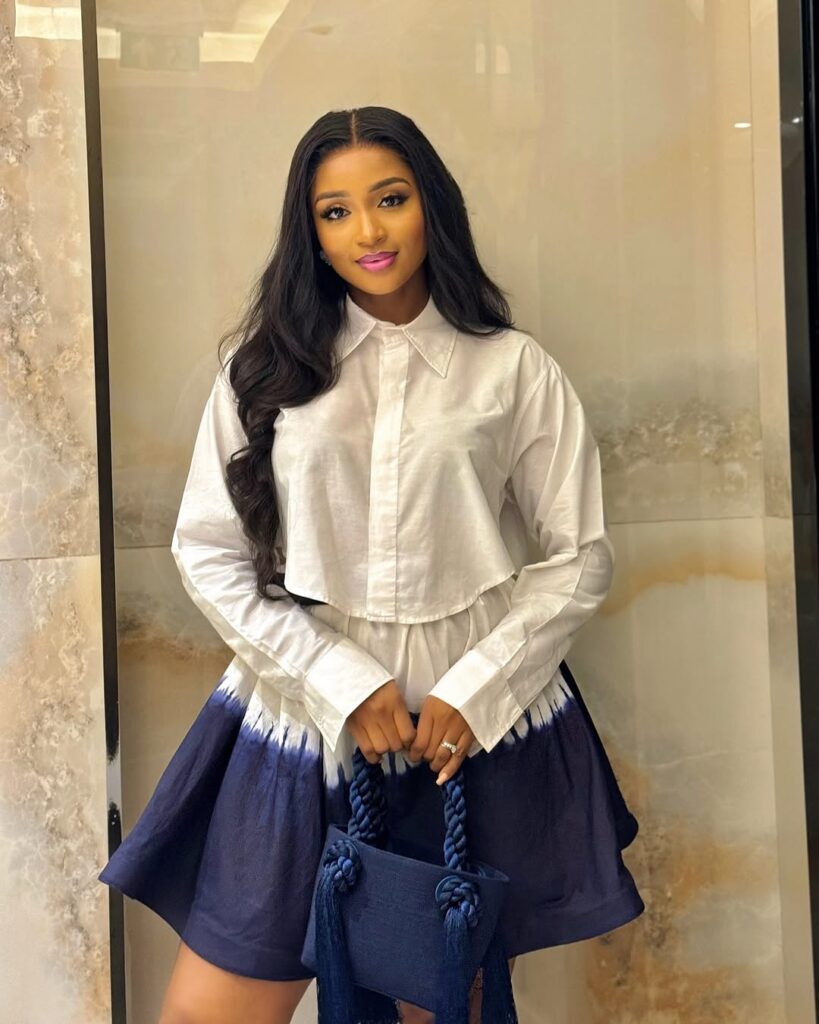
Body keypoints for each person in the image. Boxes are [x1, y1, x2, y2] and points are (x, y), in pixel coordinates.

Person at [98, 105, 645, 1024]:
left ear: (430, 205)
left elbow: (577, 557)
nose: (368, 232)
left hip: (459, 738)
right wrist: (340, 680)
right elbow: (209, 549)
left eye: (389, 199)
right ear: (309, 231)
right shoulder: (260, 369)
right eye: (335, 211)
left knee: (442, 1005)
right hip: (299, 721)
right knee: (206, 1011)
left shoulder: (512, 370)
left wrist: (476, 691)